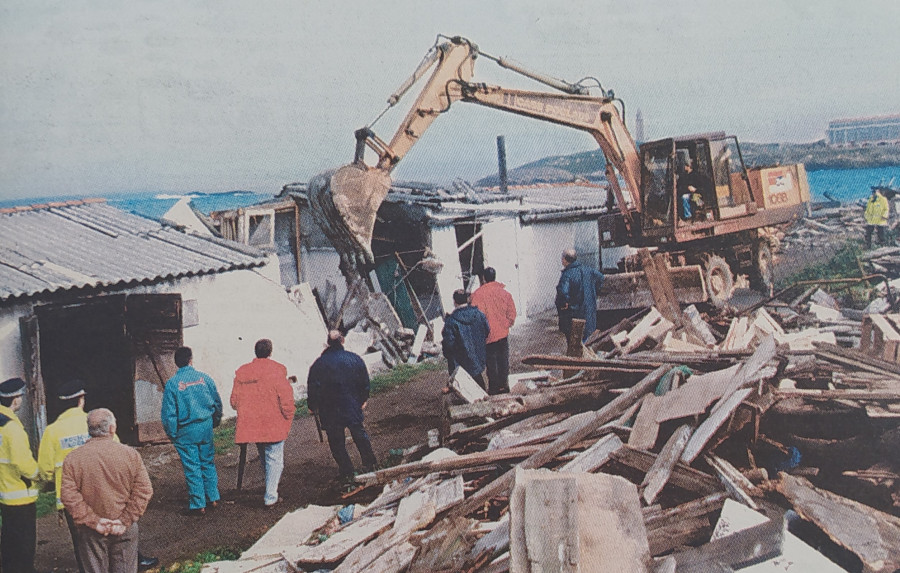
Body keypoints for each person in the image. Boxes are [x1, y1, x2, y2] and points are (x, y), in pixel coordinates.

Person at [38, 380, 159, 572]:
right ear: (81, 400)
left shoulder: (53, 433)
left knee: (88, 556)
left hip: (81, 510)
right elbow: (142, 487)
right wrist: (125, 520)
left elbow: (45, 471)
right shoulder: (127, 452)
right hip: (120, 513)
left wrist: (94, 521)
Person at [60, 408, 153, 573]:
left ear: (90, 430)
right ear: (112, 428)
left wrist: (94, 521)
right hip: (123, 529)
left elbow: (69, 497)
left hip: (91, 532)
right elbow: (144, 490)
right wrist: (125, 520)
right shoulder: (130, 455)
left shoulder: (72, 459)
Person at [306, 330, 378, 484]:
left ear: (328, 343)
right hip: (351, 405)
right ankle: (370, 463)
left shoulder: (318, 364)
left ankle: (347, 471)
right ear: (342, 340)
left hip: (329, 409)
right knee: (359, 434)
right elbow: (364, 381)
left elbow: (313, 387)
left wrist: (313, 405)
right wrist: (363, 399)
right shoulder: (354, 359)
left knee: (336, 441)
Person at [231, 339, 295, 508]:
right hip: (273, 423)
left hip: (252, 425)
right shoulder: (277, 371)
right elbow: (286, 399)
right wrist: (289, 416)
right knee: (275, 459)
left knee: (265, 457)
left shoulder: (242, 373)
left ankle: (270, 489)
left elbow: (234, 402)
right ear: (270, 352)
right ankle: (270, 497)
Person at [162, 346, 223, 516]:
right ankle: (213, 497)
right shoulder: (205, 379)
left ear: (176, 363)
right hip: (205, 427)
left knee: (192, 466)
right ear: (191, 360)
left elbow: (169, 414)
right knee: (207, 462)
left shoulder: (173, 384)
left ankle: (198, 504)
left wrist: (172, 433)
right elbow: (217, 403)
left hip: (185, 431)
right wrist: (215, 421)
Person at [0, 377, 39, 573]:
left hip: (5, 492)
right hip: (20, 493)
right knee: (24, 542)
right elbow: (23, 463)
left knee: (9, 538)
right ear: (15, 399)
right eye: (20, 397)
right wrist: (38, 474)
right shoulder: (12, 428)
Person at [470, 267, 517, 395]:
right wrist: (505, 325)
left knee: (491, 362)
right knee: (503, 360)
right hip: (502, 334)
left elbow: (476, 316)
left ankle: (494, 388)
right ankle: (504, 385)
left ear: (484, 278)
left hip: (488, 336)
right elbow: (512, 313)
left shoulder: (477, 295)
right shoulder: (505, 294)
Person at [441, 289, 490, 389]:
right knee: (480, 386)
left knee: (463, 391)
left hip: (460, 363)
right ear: (467, 300)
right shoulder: (479, 314)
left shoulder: (451, 321)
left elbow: (448, 344)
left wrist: (449, 355)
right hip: (477, 359)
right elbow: (487, 330)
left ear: (454, 302)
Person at [555, 249, 605, 343]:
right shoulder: (588, 270)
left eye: (562, 258)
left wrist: (565, 303)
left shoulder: (567, 275)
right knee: (588, 339)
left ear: (565, 260)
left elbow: (562, 293)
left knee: (575, 342)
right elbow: (601, 278)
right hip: (589, 312)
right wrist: (594, 291)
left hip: (575, 314)